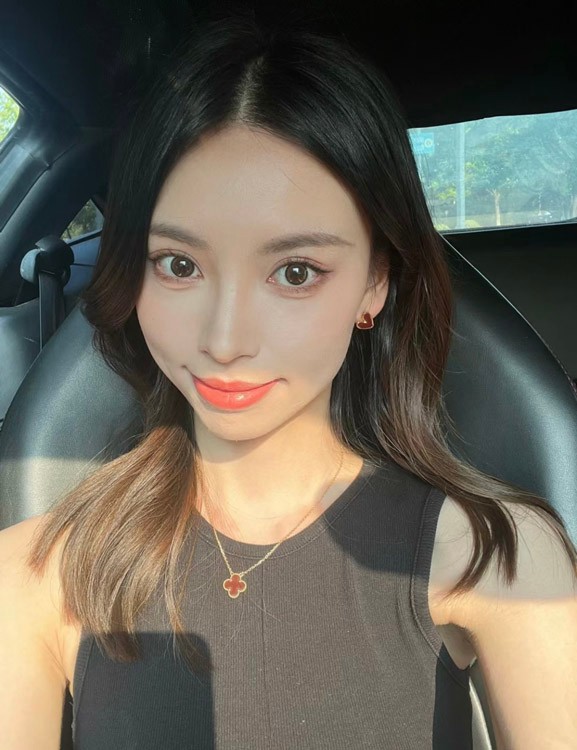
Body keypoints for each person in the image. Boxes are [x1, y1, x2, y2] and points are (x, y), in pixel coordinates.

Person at [1, 12, 576, 750]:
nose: (225, 341)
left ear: (374, 283)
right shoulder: (34, 574)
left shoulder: (497, 554)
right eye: (179, 265)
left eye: (296, 272)